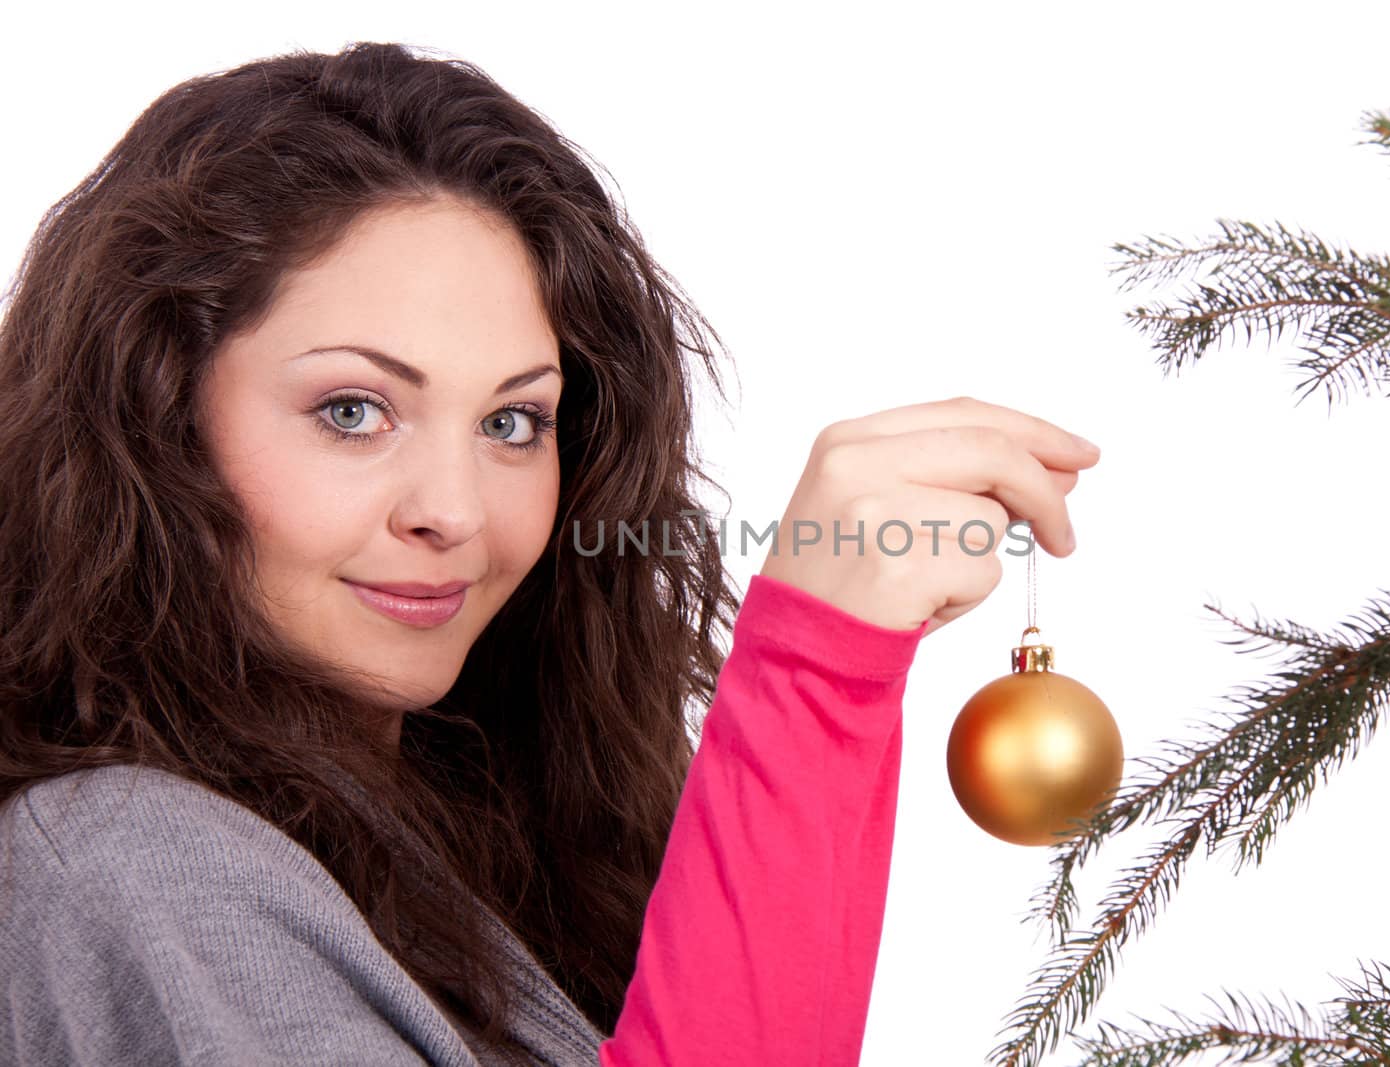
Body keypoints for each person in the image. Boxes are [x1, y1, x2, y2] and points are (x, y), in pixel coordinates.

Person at [0, 41, 1100, 1066]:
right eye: (350, 410)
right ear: (152, 418)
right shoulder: (130, 863)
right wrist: (812, 681)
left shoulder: (482, 842)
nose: (454, 511)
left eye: (513, 422)